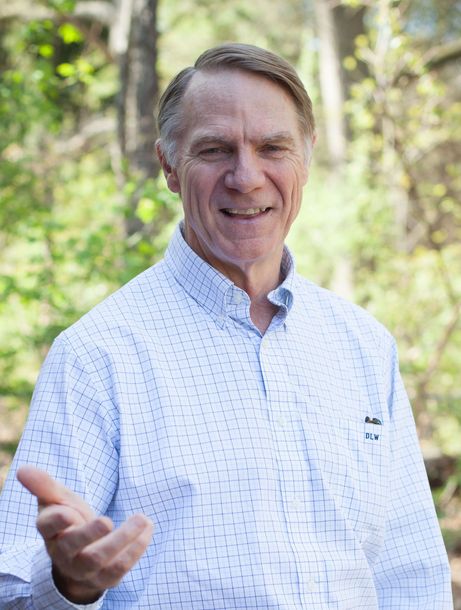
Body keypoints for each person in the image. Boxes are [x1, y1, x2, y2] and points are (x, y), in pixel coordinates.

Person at [0, 43, 453, 609]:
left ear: (306, 157)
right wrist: (69, 584)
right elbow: (13, 587)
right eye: (215, 150)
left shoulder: (364, 345)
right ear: (168, 165)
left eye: (273, 147)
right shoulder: (97, 355)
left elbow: (412, 579)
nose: (246, 177)